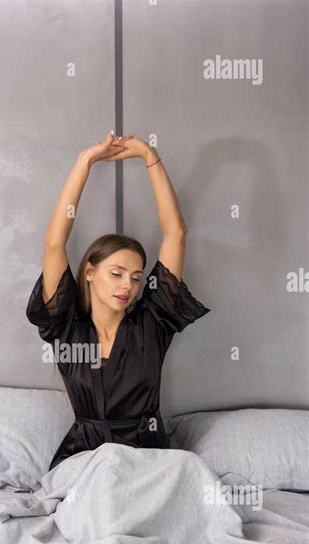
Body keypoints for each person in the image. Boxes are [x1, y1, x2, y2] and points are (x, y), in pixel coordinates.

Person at [26, 131, 210, 471]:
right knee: (101, 501)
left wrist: (148, 155)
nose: (128, 285)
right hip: (85, 462)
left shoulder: (153, 322)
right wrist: (85, 161)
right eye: (117, 273)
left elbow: (176, 233)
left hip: (148, 461)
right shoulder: (66, 327)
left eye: (137, 277)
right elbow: (54, 244)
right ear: (90, 273)